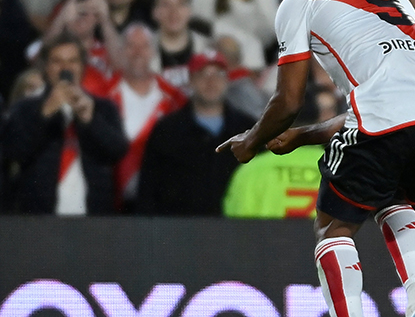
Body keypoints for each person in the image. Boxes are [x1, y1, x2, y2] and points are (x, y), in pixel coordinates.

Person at [217, 0, 415, 317]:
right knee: (392, 197)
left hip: (388, 120)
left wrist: (251, 140)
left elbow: (289, 99)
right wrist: (301, 135)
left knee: (333, 225)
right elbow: (376, 110)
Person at [2, 32, 128, 214]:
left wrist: (91, 120)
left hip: (93, 218)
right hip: (39, 219)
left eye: (72, 61)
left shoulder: (103, 107)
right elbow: (13, 151)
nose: (65, 68)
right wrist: (44, 114)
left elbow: (117, 151)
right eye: (57, 61)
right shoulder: (25, 108)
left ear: (82, 66)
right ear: (46, 67)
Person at [137, 50, 254, 215]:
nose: (211, 81)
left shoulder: (248, 129)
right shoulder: (167, 130)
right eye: (202, 74)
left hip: (235, 230)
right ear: (190, 81)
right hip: (181, 232)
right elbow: (148, 189)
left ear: (227, 80)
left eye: (218, 74)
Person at [102, 24, 186, 211]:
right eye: (131, 46)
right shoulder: (103, 94)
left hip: (159, 201)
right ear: (121, 51)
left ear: (154, 51)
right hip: (110, 202)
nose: (138, 52)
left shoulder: (175, 98)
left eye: (144, 46)